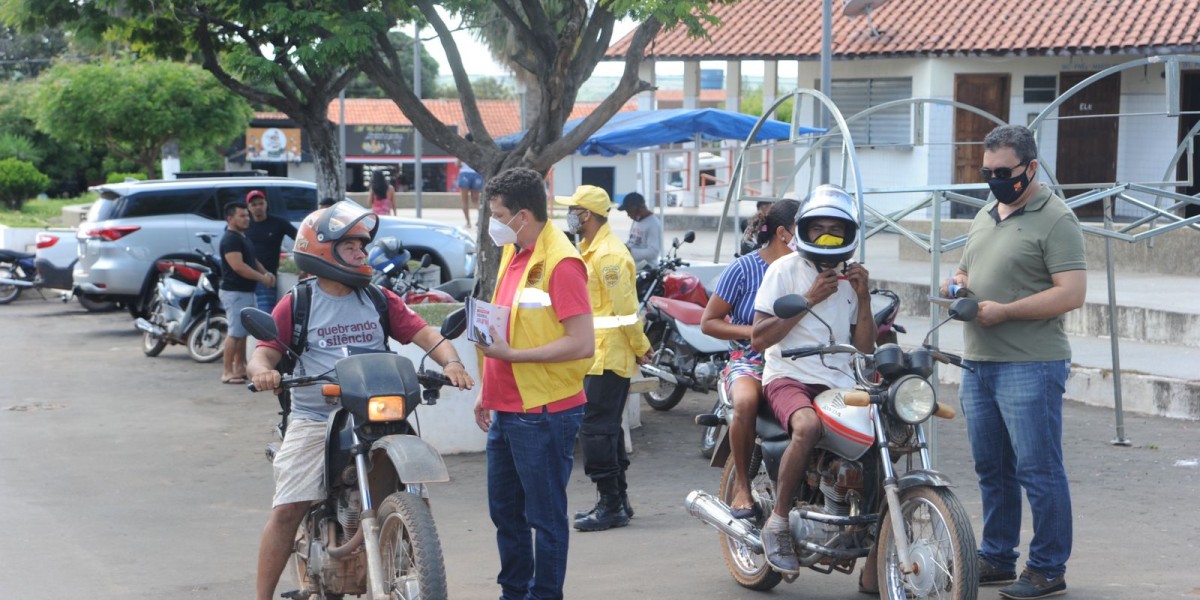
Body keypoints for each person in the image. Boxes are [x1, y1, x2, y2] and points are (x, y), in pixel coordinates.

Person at [245, 200, 474, 600]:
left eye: (362, 246)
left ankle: (402, 548)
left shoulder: (379, 299)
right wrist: (263, 371)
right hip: (316, 416)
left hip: (375, 411)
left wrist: (451, 361)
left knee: (417, 497)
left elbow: (425, 335)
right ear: (322, 251)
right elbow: (263, 352)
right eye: (350, 246)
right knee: (287, 509)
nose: (361, 253)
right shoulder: (301, 302)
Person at [945, 124, 1086, 600]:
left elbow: (1072, 293)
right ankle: (998, 556)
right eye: (987, 172)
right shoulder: (988, 212)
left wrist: (1004, 312)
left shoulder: (1057, 218)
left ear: (1031, 167)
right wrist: (958, 282)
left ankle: (1048, 568)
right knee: (993, 469)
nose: (995, 180)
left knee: (1038, 470)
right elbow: (967, 265)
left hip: (1031, 364)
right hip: (979, 362)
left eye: (1004, 172)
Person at [472, 167, 594, 600]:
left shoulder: (561, 263)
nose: (493, 223)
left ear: (523, 215)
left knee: (545, 518)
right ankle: (514, 593)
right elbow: (507, 327)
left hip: (544, 412)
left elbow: (581, 343)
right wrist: (488, 391)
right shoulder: (517, 250)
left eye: (499, 214)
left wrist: (513, 358)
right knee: (505, 513)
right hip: (507, 408)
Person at [749, 184, 874, 575]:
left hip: (839, 379)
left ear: (849, 234)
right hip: (789, 373)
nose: (826, 238)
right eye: (817, 229)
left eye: (835, 230)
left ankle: (869, 543)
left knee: (884, 433)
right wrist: (808, 300)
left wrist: (865, 297)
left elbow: (865, 347)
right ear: (802, 230)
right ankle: (778, 523)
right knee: (806, 426)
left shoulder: (851, 279)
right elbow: (759, 338)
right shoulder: (783, 270)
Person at [554, 185, 653, 532]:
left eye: (573, 210)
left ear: (586, 215)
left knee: (596, 430)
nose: (569, 216)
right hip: (596, 355)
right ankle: (618, 501)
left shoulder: (609, 255)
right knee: (604, 430)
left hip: (609, 356)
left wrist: (641, 346)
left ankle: (610, 503)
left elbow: (626, 311)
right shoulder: (589, 249)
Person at [700, 198, 799, 520]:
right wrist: (753, 331)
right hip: (750, 358)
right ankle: (742, 487)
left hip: (799, 360)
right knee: (744, 402)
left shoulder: (809, 270)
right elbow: (709, 321)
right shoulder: (743, 269)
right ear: (784, 233)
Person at [218, 201, 275, 385]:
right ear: (230, 219)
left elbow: (252, 260)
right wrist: (261, 278)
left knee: (242, 332)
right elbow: (239, 267)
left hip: (245, 291)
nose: (246, 218)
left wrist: (266, 273)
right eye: (242, 216)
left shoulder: (242, 236)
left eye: (246, 215)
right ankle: (227, 371)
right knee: (234, 332)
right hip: (234, 292)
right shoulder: (230, 239)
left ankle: (240, 367)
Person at [245, 189, 298, 312]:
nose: (258, 207)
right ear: (248, 207)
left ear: (266, 204)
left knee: (266, 315)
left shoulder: (278, 223)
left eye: (261, 203)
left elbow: (301, 238)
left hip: (267, 277)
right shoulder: (244, 225)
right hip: (245, 276)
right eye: (254, 204)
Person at [617, 191, 661, 267]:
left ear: (637, 209)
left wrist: (630, 251)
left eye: (629, 211)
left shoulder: (653, 224)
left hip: (646, 269)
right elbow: (632, 241)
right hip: (632, 265)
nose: (628, 215)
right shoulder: (636, 221)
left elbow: (653, 253)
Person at [457, 132, 484, 229]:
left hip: (464, 174)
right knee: (476, 200)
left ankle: (468, 222)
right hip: (476, 174)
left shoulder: (462, 149)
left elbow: (458, 164)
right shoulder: (478, 149)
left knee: (464, 201)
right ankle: (480, 219)